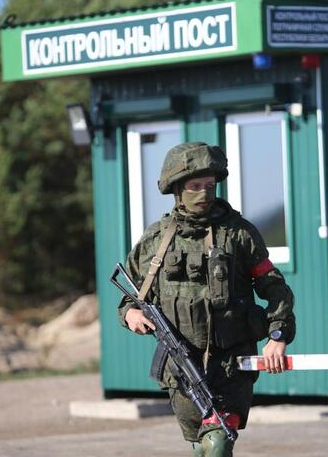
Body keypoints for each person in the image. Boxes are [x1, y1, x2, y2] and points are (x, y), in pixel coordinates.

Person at [118, 141, 296, 456]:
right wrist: (131, 314)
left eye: (209, 186)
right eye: (195, 186)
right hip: (180, 366)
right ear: (177, 188)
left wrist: (278, 335)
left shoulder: (238, 234)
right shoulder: (157, 240)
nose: (203, 193)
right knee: (200, 449)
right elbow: (129, 296)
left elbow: (275, 287)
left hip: (230, 364)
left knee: (218, 441)